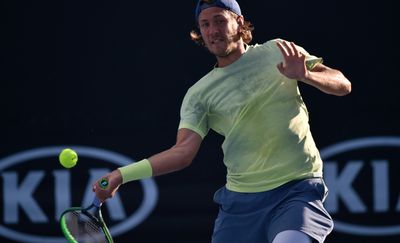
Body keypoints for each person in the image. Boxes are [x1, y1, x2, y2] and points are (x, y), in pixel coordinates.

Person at [93, 0, 352, 242]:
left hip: (297, 188)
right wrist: (121, 175)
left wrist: (306, 75)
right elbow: (182, 153)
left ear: (239, 23)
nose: (212, 30)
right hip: (240, 203)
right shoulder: (199, 94)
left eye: (219, 21)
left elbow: (343, 85)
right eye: (205, 24)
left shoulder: (277, 50)